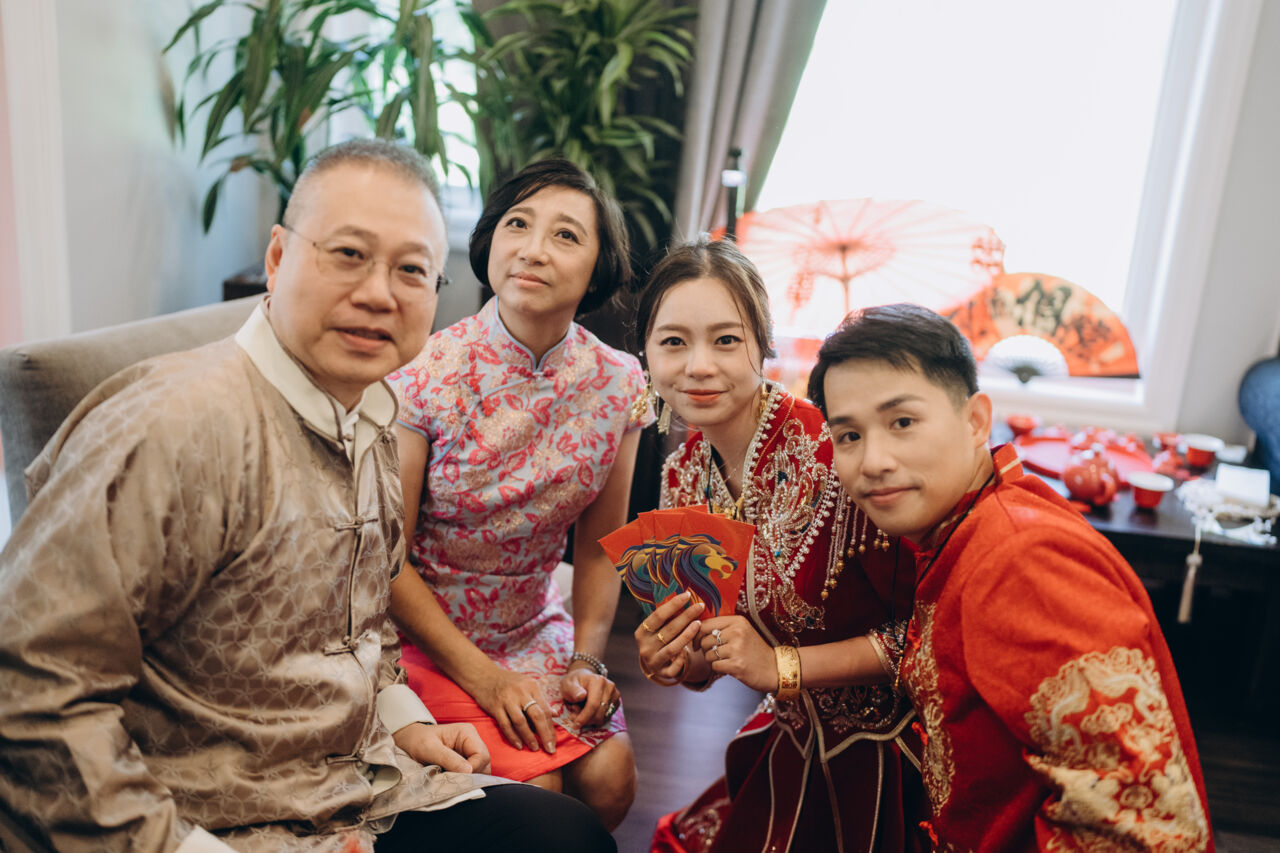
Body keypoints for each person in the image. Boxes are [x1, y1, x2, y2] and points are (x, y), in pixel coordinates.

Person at [0, 139, 616, 853]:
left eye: (411, 270)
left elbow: (364, 620)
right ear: (276, 258)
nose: (380, 293)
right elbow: (30, 694)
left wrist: (408, 721)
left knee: (569, 835)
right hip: (209, 816)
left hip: (357, 789)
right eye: (349, 254)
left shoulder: (372, 415)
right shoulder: (171, 426)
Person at [808, 302, 1213, 851]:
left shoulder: (1020, 562)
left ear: (976, 421)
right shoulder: (965, 525)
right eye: (849, 436)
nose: (872, 461)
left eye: (902, 422)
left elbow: (1140, 827)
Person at [633, 239, 927, 853]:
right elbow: (707, 653)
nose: (698, 366)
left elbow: (928, 633)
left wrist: (781, 668)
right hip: (794, 737)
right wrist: (676, 659)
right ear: (646, 354)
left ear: (764, 345)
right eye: (673, 342)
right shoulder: (680, 475)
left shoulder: (837, 452)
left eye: (726, 340)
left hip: (899, 754)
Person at [386, 158, 647, 830]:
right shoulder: (425, 371)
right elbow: (388, 562)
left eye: (566, 235)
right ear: (490, 242)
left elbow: (599, 549)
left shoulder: (619, 383)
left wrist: (587, 658)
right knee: (543, 786)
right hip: (425, 633)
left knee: (612, 781)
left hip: (534, 622)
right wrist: (486, 678)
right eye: (518, 224)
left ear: (598, 267)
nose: (534, 249)